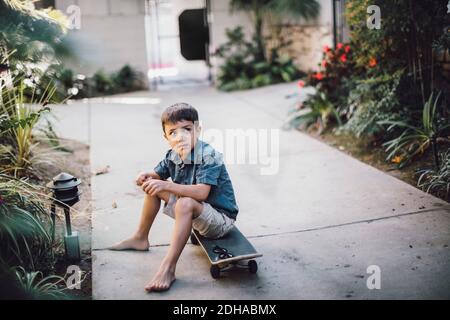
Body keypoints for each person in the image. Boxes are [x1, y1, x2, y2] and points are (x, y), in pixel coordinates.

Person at [110, 102, 239, 292]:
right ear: (166, 137)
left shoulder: (208, 155)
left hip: (220, 221)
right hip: (195, 214)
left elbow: (202, 192)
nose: (181, 137)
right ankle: (140, 238)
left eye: (187, 129)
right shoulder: (173, 154)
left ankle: (168, 268)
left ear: (198, 129)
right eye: (173, 133)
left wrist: (167, 184)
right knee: (152, 186)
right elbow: (157, 175)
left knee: (185, 202)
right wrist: (146, 176)